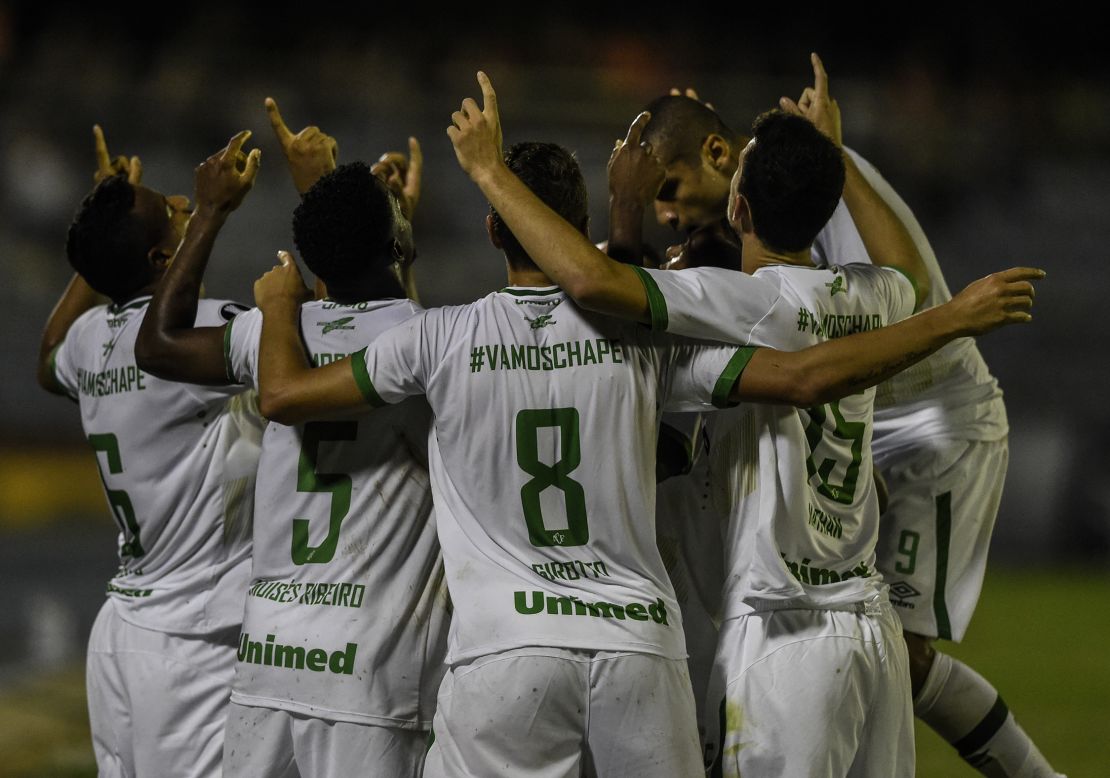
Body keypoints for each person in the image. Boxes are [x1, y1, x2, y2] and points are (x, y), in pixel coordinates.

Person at [442, 69, 1043, 776]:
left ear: (740, 207)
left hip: (783, 632)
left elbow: (592, 283)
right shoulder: (873, 294)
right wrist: (838, 158)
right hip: (867, 626)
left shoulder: (740, 303)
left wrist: (494, 170)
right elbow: (906, 268)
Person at [638, 56, 1062, 777]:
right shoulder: (794, 201)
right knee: (870, 638)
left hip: (931, 424)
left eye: (671, 191)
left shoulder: (815, 189)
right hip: (854, 421)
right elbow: (892, 292)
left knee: (907, 649)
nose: (669, 216)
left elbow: (833, 347)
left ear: (726, 166)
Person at [134, 102, 447, 778]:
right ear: (397, 243)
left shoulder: (273, 333)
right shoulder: (439, 345)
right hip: (371, 676)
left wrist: (212, 213)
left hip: (269, 666)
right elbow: (396, 324)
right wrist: (363, 210)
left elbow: (157, 345)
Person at [36, 127, 264, 777]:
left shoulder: (86, 340)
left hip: (122, 631)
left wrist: (100, 247)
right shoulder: (199, 336)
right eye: (175, 211)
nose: (186, 206)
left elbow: (45, 359)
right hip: (190, 636)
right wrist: (217, 212)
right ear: (165, 259)